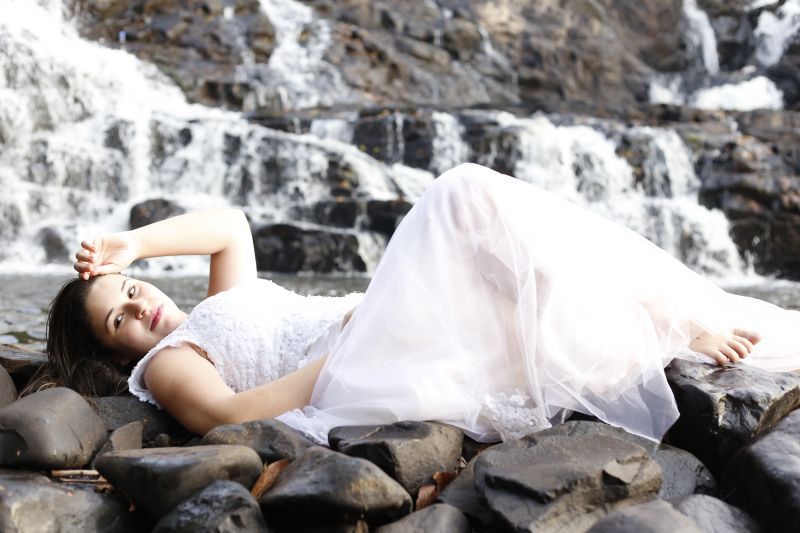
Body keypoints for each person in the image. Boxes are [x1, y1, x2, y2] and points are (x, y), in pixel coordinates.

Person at [47, 163, 800, 445]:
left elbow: (229, 226)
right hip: (352, 361)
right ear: (113, 349)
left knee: (513, 283)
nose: (139, 308)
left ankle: (669, 320)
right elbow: (231, 417)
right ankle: (670, 321)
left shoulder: (221, 302)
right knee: (461, 195)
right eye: (118, 319)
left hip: (367, 334)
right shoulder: (169, 363)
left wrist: (131, 243)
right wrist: (349, 351)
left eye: (133, 291)